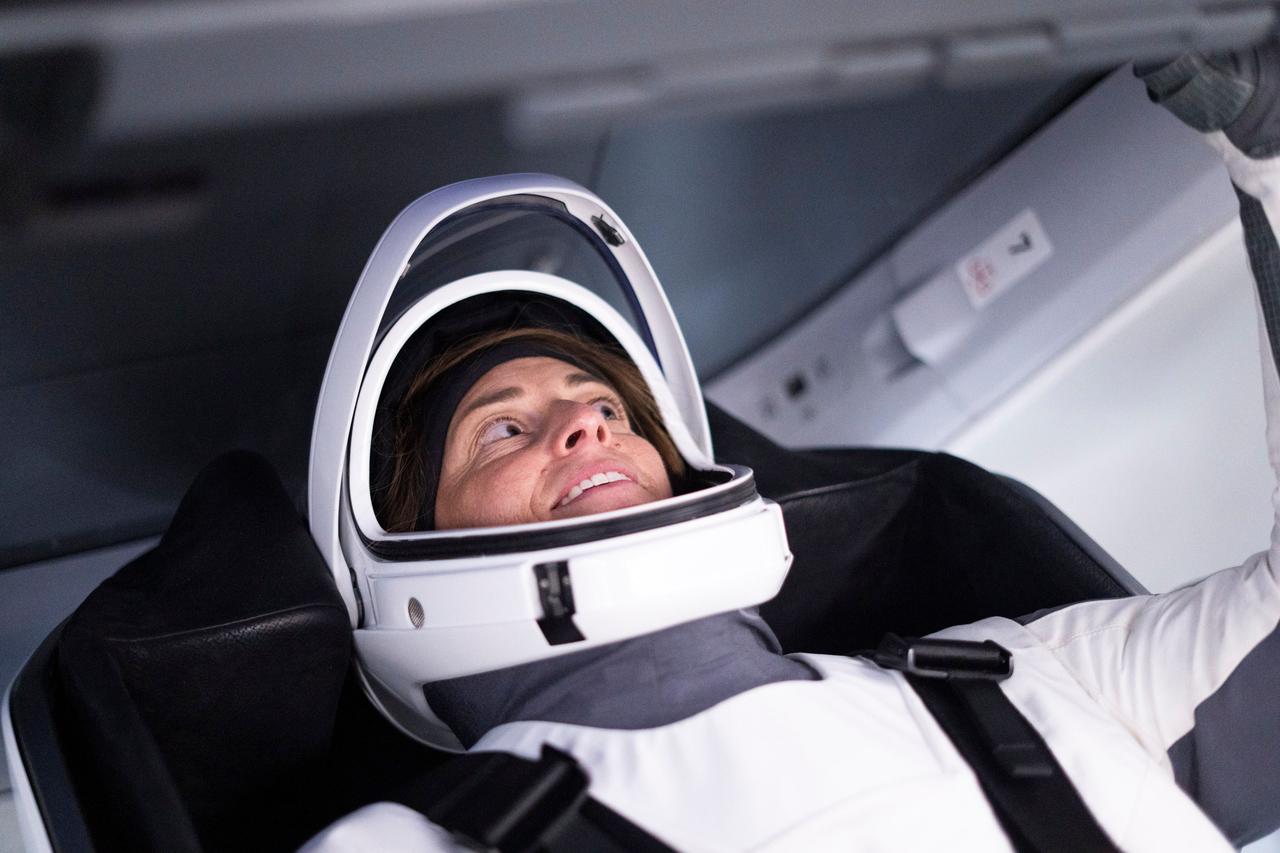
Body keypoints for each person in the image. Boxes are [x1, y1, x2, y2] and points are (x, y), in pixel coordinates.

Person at [302, 51, 1280, 852]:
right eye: (504, 429)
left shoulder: (1025, 679)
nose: (587, 427)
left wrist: (1265, 139)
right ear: (400, 544)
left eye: (606, 406)